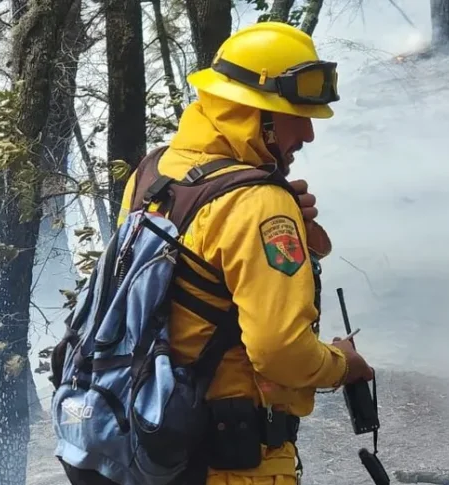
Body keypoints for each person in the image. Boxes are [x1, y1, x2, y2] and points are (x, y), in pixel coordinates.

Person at [117, 21, 375, 485]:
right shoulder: (257, 203)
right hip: (234, 464)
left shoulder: (155, 173)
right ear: (257, 115)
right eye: (299, 115)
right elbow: (281, 353)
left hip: (156, 448)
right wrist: (342, 364)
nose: (310, 135)